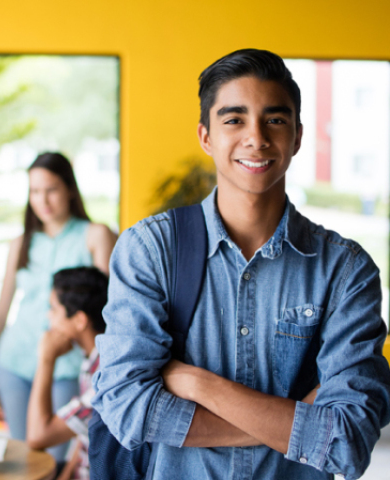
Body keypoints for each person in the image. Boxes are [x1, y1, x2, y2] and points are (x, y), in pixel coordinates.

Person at [92, 48, 390, 479]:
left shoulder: (344, 269)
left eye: (275, 119)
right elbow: (128, 409)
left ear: (298, 136)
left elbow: (347, 439)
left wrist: (200, 385)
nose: (257, 138)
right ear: (206, 136)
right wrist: (294, 421)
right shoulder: (151, 249)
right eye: (234, 120)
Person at [0, 152, 116, 462]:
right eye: (34, 191)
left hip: (68, 368)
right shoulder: (22, 243)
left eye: (51, 189)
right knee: (20, 459)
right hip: (15, 362)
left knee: (53, 461)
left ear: (70, 189)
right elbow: (2, 310)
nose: (43, 200)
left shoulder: (96, 235)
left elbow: (109, 311)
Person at [26, 267, 108, 480]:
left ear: (80, 320)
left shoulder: (104, 376)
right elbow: (84, 435)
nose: (48, 316)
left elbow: (37, 436)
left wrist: (46, 360)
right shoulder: (92, 359)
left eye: (54, 308)